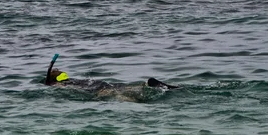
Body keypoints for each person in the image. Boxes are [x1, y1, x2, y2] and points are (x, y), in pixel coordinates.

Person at [44, 54, 179, 102]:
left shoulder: (61, 85)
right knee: (122, 89)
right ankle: (147, 85)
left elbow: (60, 86)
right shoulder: (74, 80)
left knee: (121, 97)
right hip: (100, 84)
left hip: (97, 90)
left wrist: (49, 84)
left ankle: (141, 101)